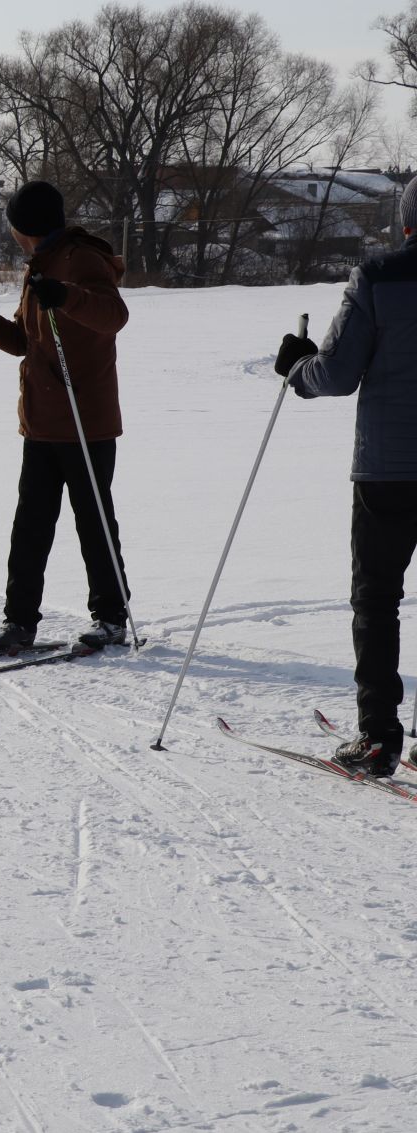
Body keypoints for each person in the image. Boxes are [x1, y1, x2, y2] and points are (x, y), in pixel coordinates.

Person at [0, 179, 132, 654]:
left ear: (20, 227)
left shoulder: (80, 259)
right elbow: (22, 343)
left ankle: (111, 617)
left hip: (85, 420)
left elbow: (113, 315)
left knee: (93, 522)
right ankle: (19, 622)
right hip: (43, 420)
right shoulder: (42, 266)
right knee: (30, 526)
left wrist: (65, 296)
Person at [274, 177, 417, 775]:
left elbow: (335, 373)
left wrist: (296, 369)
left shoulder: (379, 277)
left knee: (377, 600)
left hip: (388, 469)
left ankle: (379, 732)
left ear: (406, 222)